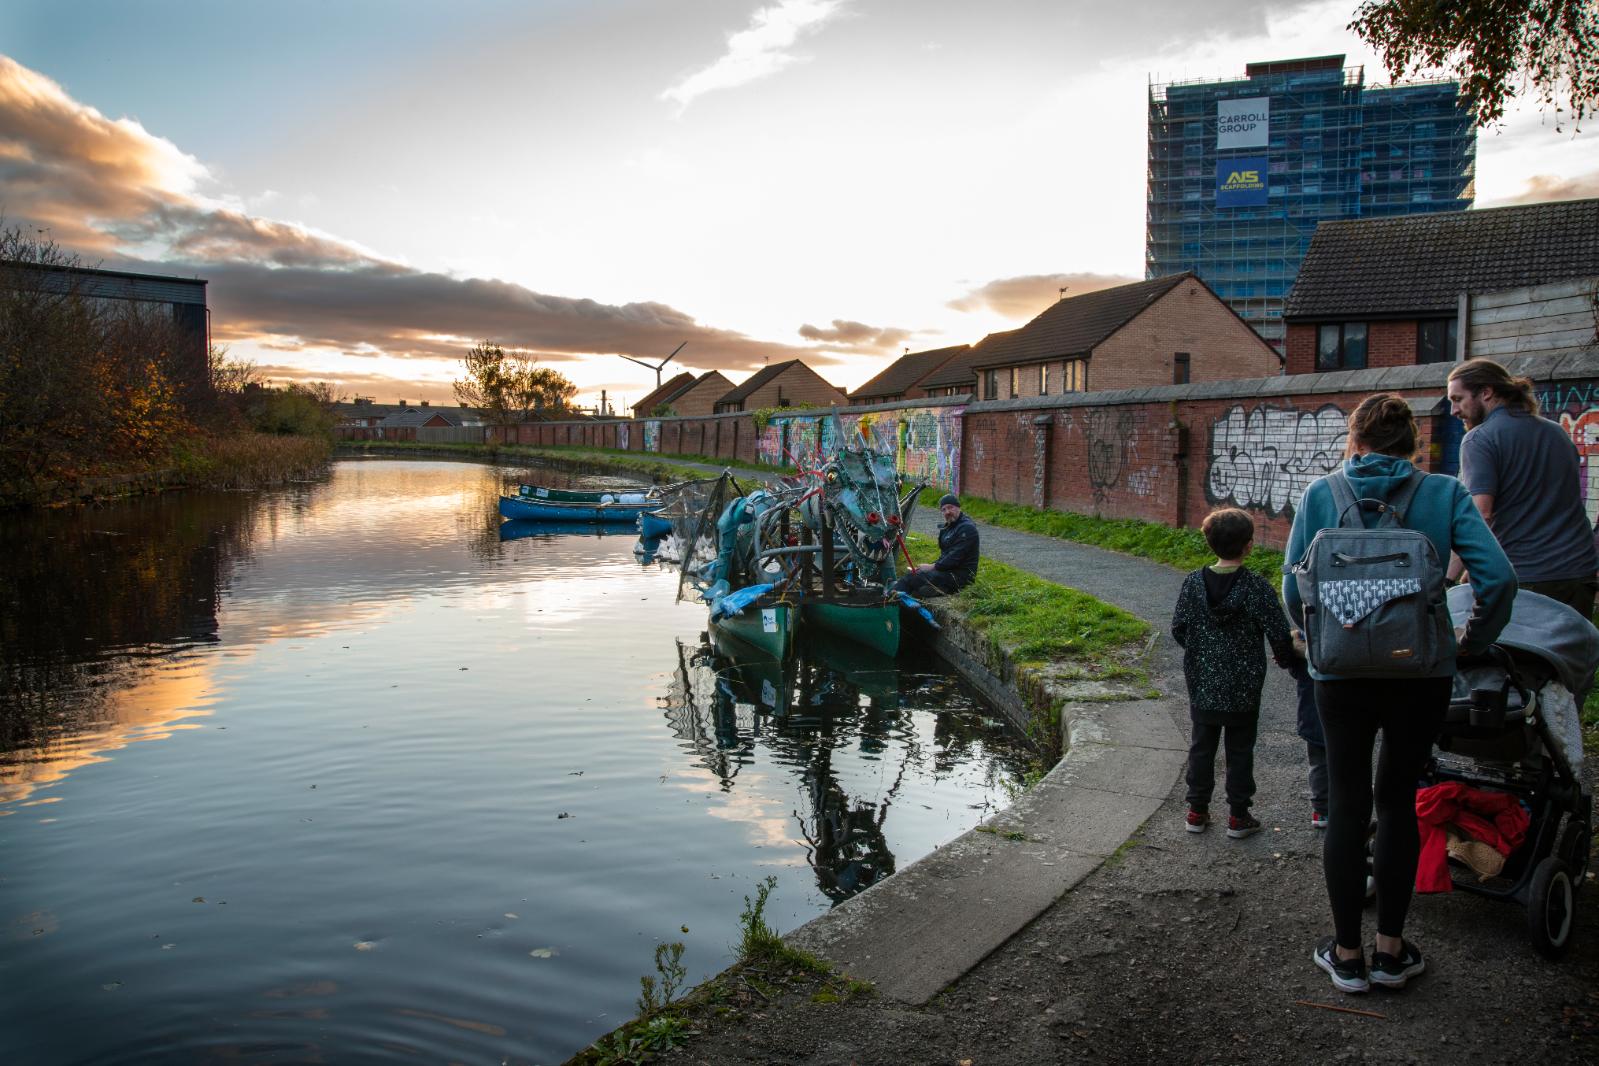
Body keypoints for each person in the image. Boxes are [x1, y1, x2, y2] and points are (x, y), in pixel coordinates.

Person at [1284, 393, 1514, 995]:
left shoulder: (1321, 494)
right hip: (1422, 673)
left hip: (1340, 676)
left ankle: (1346, 955)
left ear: (1355, 441)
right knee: (1397, 803)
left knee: (1347, 804)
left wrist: (1319, 640)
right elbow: (1499, 578)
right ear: (1414, 444)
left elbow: (1291, 585)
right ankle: (1390, 952)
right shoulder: (1443, 493)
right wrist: (1468, 641)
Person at [1169, 507, 1294, 840]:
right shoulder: (1257, 587)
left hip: (1203, 680)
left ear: (1209, 543)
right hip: (1244, 684)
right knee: (1240, 750)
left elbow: (1179, 628)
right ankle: (1238, 816)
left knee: (1201, 746)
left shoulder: (1193, 583)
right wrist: (1286, 659)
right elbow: (1279, 633)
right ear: (1249, 546)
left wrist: (1201, 651)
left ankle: (1196, 811)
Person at [1447, 358, 1597, 616]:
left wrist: (1449, 577)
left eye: (1458, 399)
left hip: (1526, 577)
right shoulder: (1557, 433)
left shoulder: (1480, 439)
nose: (1453, 410)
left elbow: (1480, 515)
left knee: (1507, 645)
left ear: (1486, 392)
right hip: (1578, 573)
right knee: (1572, 645)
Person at [893, 494, 978, 597]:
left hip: (960, 577)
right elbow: (945, 555)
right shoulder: (948, 527)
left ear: (958, 507)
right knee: (916, 577)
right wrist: (929, 567)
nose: (947, 512)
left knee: (912, 578)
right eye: (944, 509)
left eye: (950, 507)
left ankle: (888, 599)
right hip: (948, 572)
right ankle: (894, 597)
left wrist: (932, 567)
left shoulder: (967, 528)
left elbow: (955, 557)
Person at [1288, 629, 1328, 830]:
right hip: (1346, 702)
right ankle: (1347, 806)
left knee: (1319, 761)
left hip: (1312, 710)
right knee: (1350, 759)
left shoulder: (1307, 635)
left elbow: (1295, 670)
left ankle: (1321, 809)